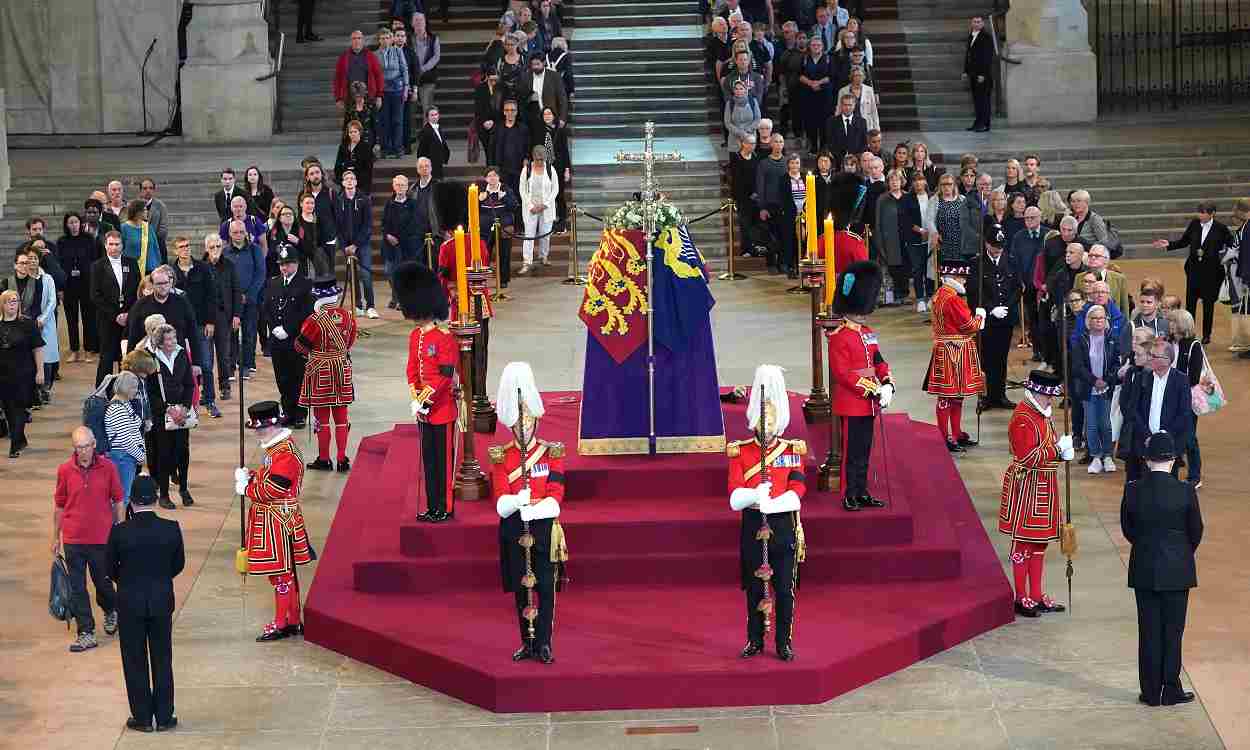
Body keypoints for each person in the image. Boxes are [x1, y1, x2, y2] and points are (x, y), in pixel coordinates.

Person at [489, 362, 568, 664]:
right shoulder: (502, 457)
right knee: (522, 589)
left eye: (528, 418)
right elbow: (499, 500)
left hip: (543, 530)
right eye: (518, 419)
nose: (523, 425)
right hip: (513, 529)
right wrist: (514, 502)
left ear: (536, 419)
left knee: (545, 587)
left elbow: (556, 496)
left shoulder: (551, 453)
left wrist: (531, 507)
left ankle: (545, 642)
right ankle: (527, 641)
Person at [727, 364, 806, 662]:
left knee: (784, 590)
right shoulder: (741, 451)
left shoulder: (792, 450)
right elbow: (734, 496)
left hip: (782, 524)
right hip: (752, 523)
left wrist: (771, 503)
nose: (767, 423)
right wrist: (752, 495)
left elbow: (798, 492)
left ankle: (783, 642)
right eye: (763, 418)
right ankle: (755, 640)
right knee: (754, 591)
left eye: (772, 417)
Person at [1121, 430, 1203, 707]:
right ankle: (1171, 688)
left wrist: (1146, 548)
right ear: (1173, 461)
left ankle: (1150, 690)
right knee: (1173, 631)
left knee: (1149, 631)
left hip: (1144, 568)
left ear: (1146, 460)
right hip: (1177, 570)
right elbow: (1196, 531)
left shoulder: (1132, 489)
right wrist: (1180, 553)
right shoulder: (1185, 491)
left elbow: (1128, 529)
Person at [106, 475, 184, 733]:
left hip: (130, 602)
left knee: (134, 659)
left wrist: (127, 581)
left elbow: (110, 569)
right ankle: (164, 717)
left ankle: (141, 717)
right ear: (154, 498)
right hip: (161, 600)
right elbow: (178, 564)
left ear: (132, 501)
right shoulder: (171, 528)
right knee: (162, 658)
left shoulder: (119, 532)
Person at [237, 401, 315, 641]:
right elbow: (269, 477)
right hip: (275, 517)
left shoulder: (285, 454)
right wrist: (252, 476)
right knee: (284, 572)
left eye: (262, 429)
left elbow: (273, 489)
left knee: (281, 573)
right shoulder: (277, 449)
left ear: (274, 426)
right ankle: (291, 618)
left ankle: (282, 622)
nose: (258, 433)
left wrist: (247, 488)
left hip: (278, 519)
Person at [998, 369, 1074, 617]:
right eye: (1048, 397)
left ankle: (1036, 593)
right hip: (1027, 486)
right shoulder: (1023, 417)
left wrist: (1059, 453)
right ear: (1037, 393)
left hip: (1043, 485)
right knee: (1023, 543)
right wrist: (1057, 451)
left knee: (1039, 543)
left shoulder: (1042, 415)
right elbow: (1027, 457)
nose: (1051, 401)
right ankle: (1020, 596)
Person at [827, 262, 894, 511]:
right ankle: (849, 493)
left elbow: (877, 360)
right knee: (852, 453)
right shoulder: (839, 337)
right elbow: (843, 374)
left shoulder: (867, 332)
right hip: (853, 402)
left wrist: (887, 382)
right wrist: (873, 388)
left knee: (865, 451)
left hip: (869, 404)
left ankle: (862, 491)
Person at [396, 261, 458, 523]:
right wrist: (415, 398)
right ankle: (432, 506)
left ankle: (444, 507)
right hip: (424, 411)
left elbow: (445, 377)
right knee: (429, 464)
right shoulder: (415, 337)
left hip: (441, 410)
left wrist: (425, 400)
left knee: (442, 464)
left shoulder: (444, 338)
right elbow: (412, 369)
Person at [54, 426, 125, 652]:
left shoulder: (108, 468)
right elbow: (59, 505)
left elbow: (119, 500)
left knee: (102, 582)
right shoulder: (65, 470)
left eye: (85, 446)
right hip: (73, 539)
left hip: (101, 539)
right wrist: (55, 536)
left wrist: (121, 531)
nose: (82, 451)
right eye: (78, 447)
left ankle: (111, 609)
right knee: (77, 587)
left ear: (94, 444)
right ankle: (86, 631)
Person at [295, 276, 358, 472]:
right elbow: (350, 342)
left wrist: (317, 355)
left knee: (322, 419)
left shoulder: (313, 320)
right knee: (341, 417)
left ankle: (324, 458)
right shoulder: (348, 316)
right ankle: (341, 458)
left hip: (321, 371)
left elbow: (299, 346)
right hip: (341, 368)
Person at [924, 261, 986, 452]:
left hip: (947, 349)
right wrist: (980, 317)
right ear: (955, 278)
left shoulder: (941, 295)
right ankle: (945, 436)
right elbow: (969, 326)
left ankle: (955, 433)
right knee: (948, 397)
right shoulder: (953, 299)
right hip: (955, 351)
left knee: (954, 396)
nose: (965, 282)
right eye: (962, 278)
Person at [1152, 202, 1234, 345]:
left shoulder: (1221, 229)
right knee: (1191, 303)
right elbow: (1184, 241)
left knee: (1208, 304)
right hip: (1194, 271)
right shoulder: (1195, 224)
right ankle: (1189, 331)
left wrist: (1224, 257)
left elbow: (1231, 245)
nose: (1200, 215)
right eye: (1199, 212)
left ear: (1212, 213)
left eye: (1203, 213)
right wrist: (1169, 245)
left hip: (1212, 273)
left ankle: (1207, 334)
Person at [1121, 338, 1194, 481]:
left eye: (1154, 356)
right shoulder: (1142, 378)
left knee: (1168, 486)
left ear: (1167, 360)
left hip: (1170, 444)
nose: (1150, 359)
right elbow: (1133, 409)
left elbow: (1184, 413)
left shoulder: (1181, 380)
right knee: (1142, 485)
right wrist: (1147, 435)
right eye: (1150, 355)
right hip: (1143, 442)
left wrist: (1164, 436)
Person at [265, 245, 315, 430]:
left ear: (296, 264)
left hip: (296, 340)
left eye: (287, 264)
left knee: (298, 377)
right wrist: (274, 327)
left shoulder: (305, 284)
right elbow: (268, 309)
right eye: (281, 264)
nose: (284, 268)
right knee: (282, 378)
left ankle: (300, 414)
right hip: (278, 341)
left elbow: (307, 313)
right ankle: (288, 412)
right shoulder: (273, 283)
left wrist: (289, 329)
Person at [145, 324, 194, 508]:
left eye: (174, 338)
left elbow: (189, 384)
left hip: (181, 413)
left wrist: (184, 407)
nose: (173, 341)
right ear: (160, 342)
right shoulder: (152, 358)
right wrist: (168, 409)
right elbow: (150, 391)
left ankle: (184, 489)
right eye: (168, 339)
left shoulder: (181, 354)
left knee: (183, 452)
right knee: (164, 454)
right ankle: (164, 494)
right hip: (161, 415)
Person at [971, 225, 1020, 409]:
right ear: (986, 244)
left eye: (1000, 247)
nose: (997, 250)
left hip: (1005, 318)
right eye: (994, 246)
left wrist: (1007, 307)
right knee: (985, 358)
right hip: (987, 318)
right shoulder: (978, 263)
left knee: (1001, 357)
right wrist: (991, 308)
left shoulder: (1011, 261)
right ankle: (984, 396)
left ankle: (999, 395)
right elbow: (974, 292)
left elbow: (1017, 288)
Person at [170, 240, 221, 418]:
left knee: (206, 364)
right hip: (178, 328)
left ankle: (210, 401)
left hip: (200, 324)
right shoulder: (170, 271)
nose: (185, 249)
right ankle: (185, 402)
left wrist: (211, 321)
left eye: (187, 246)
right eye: (181, 247)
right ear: (175, 250)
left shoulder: (203, 268)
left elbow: (211, 296)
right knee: (181, 366)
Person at [1072, 304, 1121, 474]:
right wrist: (1094, 380)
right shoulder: (1081, 340)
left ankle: (1107, 455)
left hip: (1107, 388)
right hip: (1088, 388)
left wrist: (1106, 380)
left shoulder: (1113, 339)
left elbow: (1117, 363)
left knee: (1106, 424)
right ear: (1088, 321)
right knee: (1091, 425)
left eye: (1101, 318)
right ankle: (1095, 456)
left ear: (1106, 320)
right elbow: (1078, 367)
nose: (1098, 321)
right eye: (1094, 318)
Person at [90, 232, 141, 386]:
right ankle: (101, 393)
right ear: (105, 245)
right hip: (107, 319)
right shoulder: (97, 266)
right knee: (106, 357)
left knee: (126, 356)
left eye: (117, 244)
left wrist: (128, 314)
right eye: (110, 244)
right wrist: (115, 315)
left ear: (122, 245)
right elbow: (95, 295)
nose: (114, 247)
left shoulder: (131, 263)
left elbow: (137, 290)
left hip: (128, 319)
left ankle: (127, 389)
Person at [126, 265, 199, 369]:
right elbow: (133, 336)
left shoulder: (182, 302)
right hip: (151, 362)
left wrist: (196, 363)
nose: (163, 286)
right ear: (152, 285)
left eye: (166, 283)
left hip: (178, 359)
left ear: (170, 283)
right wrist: (129, 365)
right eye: (159, 284)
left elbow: (193, 333)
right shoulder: (140, 305)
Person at [0, 288, 44, 456]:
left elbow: (38, 348)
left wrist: (40, 371)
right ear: (2, 305)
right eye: (9, 301)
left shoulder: (27, 323)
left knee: (19, 407)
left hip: (24, 373)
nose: (13, 304)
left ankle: (15, 445)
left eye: (15, 301)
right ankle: (20, 438)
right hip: (3, 375)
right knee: (9, 409)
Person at [223, 220, 265, 382]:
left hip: (251, 299)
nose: (238, 235)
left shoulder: (255, 250)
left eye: (241, 232)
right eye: (235, 232)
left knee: (249, 333)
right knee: (231, 334)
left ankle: (247, 364)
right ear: (230, 234)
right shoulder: (225, 252)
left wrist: (248, 295)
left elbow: (260, 274)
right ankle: (231, 366)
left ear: (246, 232)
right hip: (231, 301)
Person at [1170, 310, 1207, 487]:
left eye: (1173, 322)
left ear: (1182, 325)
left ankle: (1195, 475)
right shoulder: (1169, 343)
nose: (1170, 325)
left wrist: (1176, 382)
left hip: (1186, 398)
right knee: (1172, 434)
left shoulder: (1193, 345)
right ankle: (1172, 473)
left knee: (1189, 437)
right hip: (1170, 397)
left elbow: (1194, 376)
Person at [333, 170, 377, 318]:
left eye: (353, 178)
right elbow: (337, 225)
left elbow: (368, 225)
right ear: (343, 183)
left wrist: (356, 244)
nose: (350, 181)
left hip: (361, 244)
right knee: (352, 275)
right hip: (347, 244)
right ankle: (357, 305)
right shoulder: (339, 201)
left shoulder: (364, 199)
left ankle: (370, 305)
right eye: (347, 179)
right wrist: (345, 245)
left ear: (356, 182)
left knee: (366, 274)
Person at [202, 234, 240, 402]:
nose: (215, 250)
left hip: (224, 315)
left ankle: (225, 386)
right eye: (212, 247)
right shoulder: (200, 267)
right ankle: (207, 390)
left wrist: (237, 315)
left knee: (224, 354)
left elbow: (236, 291)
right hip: (205, 318)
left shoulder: (230, 266)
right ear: (206, 249)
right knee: (206, 356)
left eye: (218, 246)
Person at [1010, 206, 1045, 362]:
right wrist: (1019, 280)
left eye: (1032, 218)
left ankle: (1048, 351)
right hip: (1028, 286)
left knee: (1046, 319)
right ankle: (1037, 350)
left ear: (1040, 218)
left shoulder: (1048, 234)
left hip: (1045, 287)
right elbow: (1014, 261)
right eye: (1026, 218)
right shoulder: (1019, 237)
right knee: (1034, 319)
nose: (1029, 221)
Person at [518, 145, 560, 275]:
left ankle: (543, 256)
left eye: (542, 159)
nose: (540, 162)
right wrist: (531, 206)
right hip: (530, 208)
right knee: (529, 235)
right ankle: (527, 262)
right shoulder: (527, 169)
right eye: (537, 159)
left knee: (545, 234)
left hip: (546, 208)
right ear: (533, 158)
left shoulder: (550, 169)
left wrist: (545, 204)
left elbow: (555, 189)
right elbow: (522, 190)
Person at [900, 171, 937, 311]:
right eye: (915, 180)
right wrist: (921, 231)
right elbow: (905, 220)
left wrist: (931, 232)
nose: (918, 183)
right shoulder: (907, 199)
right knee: (917, 270)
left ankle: (929, 296)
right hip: (914, 239)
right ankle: (920, 299)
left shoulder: (932, 197)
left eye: (920, 179)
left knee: (929, 269)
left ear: (925, 182)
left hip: (930, 239)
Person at [376, 27, 409, 159]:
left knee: (397, 120)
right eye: (382, 38)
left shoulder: (398, 51)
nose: (385, 40)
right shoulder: (374, 54)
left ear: (391, 39)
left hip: (397, 89)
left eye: (388, 38)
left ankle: (398, 148)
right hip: (383, 90)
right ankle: (385, 148)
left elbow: (404, 69)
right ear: (379, 40)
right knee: (384, 121)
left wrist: (406, 87)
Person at [797, 37, 833, 155]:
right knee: (810, 121)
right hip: (808, 94)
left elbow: (831, 75)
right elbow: (800, 75)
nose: (816, 47)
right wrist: (811, 83)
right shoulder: (805, 59)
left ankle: (823, 146)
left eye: (818, 45)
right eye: (813, 45)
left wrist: (818, 83)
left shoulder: (828, 58)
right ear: (809, 46)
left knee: (824, 121)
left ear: (823, 46)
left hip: (824, 95)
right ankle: (813, 146)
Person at [492, 99, 530, 199]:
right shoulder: (497, 128)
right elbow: (491, 148)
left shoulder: (523, 129)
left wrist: (526, 158)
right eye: (507, 110)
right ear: (504, 112)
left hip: (518, 170)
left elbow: (528, 147)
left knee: (519, 197)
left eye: (512, 110)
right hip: (501, 170)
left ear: (517, 112)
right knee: (503, 198)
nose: (510, 113)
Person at [410, 13, 441, 128]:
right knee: (410, 111)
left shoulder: (433, 38)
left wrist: (423, 68)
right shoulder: (409, 39)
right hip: (412, 80)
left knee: (427, 109)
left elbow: (436, 57)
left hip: (428, 78)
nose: (419, 23)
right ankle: (410, 138)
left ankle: (427, 136)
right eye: (416, 21)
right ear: (412, 24)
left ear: (425, 22)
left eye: (421, 20)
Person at [964, 15, 993, 131]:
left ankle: (985, 124)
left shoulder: (986, 37)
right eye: (974, 22)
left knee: (984, 100)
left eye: (979, 22)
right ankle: (978, 123)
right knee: (977, 101)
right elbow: (968, 56)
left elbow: (987, 57)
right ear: (972, 24)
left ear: (983, 24)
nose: (976, 24)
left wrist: (983, 74)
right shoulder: (971, 36)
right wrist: (965, 71)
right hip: (973, 74)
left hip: (983, 75)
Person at [932, 173, 965, 266]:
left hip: (960, 243)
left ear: (954, 185)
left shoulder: (962, 199)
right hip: (943, 243)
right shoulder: (935, 200)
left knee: (960, 274)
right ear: (940, 186)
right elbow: (930, 220)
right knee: (945, 275)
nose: (946, 187)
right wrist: (935, 233)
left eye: (949, 184)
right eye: (944, 184)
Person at [335, 120, 376, 193]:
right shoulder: (343, 147)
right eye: (351, 132)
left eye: (355, 131)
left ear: (360, 132)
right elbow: (337, 166)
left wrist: (355, 181)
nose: (353, 134)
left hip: (361, 184)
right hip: (345, 182)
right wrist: (342, 180)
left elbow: (368, 169)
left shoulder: (366, 147)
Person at [474, 67, 503, 162]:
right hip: (484, 125)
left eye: (496, 79)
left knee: (497, 151)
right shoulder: (480, 89)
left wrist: (494, 121)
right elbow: (478, 108)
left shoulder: (502, 88)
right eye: (491, 80)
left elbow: (503, 107)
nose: (494, 82)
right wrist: (484, 121)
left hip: (498, 124)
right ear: (486, 77)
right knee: (488, 151)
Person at [837, 66, 878, 132]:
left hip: (866, 124)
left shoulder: (869, 90)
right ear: (852, 77)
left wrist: (876, 128)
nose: (858, 78)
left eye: (860, 75)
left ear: (864, 76)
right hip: (849, 124)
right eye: (856, 75)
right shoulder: (843, 91)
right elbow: (839, 109)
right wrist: (837, 126)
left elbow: (874, 110)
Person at [724, 80, 761, 152]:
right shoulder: (729, 104)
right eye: (736, 89)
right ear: (733, 90)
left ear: (745, 90)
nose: (738, 91)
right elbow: (727, 123)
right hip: (734, 139)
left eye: (741, 88)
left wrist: (747, 131)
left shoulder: (753, 101)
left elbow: (757, 119)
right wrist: (740, 133)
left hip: (750, 137)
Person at [416, 106, 452, 180]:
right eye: (432, 115)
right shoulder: (425, 131)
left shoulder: (438, 128)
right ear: (428, 117)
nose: (434, 117)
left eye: (436, 114)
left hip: (438, 163)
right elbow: (421, 150)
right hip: (431, 165)